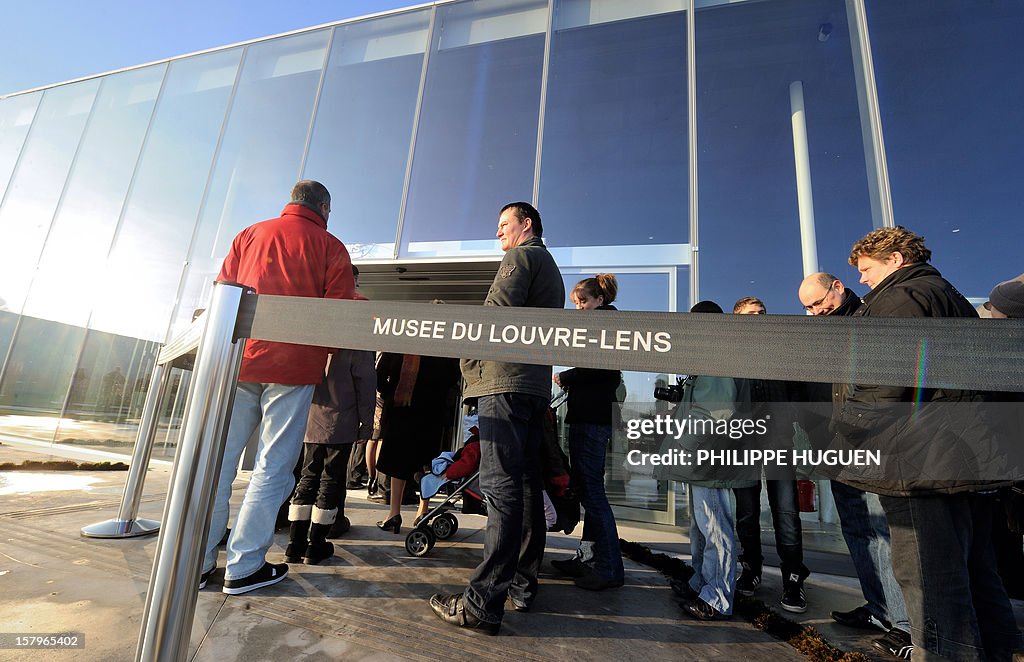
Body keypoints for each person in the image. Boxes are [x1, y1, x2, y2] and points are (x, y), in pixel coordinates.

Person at [833, 226, 1020, 660]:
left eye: (866, 269)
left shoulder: (902, 299)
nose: (862, 280)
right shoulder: (944, 294)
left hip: (918, 461)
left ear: (895, 259)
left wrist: (846, 428)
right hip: (952, 456)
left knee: (927, 575)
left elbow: (882, 383)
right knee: (971, 569)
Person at [200, 180, 356, 595]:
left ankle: (197, 561)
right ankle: (245, 566)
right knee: (271, 467)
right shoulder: (330, 246)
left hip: (238, 360)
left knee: (219, 462)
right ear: (323, 206)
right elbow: (339, 316)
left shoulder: (249, 234)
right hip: (293, 368)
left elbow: (223, 292)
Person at [429, 201, 564, 635]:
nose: (498, 234)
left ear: (526, 225)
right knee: (524, 485)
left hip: (504, 383)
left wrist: (464, 349)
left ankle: (482, 601)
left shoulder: (521, 256)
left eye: (504, 225)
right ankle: (520, 585)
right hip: (531, 386)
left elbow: (496, 317)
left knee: (501, 486)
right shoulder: (550, 267)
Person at [798, 272, 912, 657]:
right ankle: (879, 608)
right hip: (832, 449)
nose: (815, 312)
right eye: (808, 308)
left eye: (818, 303)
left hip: (867, 447)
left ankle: (904, 623)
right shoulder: (816, 336)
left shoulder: (866, 322)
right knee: (857, 532)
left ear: (839, 288)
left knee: (882, 534)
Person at [662, 300, 755, 621]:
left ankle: (717, 597)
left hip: (709, 456)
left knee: (715, 527)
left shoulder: (718, 354)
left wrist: (685, 446)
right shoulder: (714, 353)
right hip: (703, 456)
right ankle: (701, 581)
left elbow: (716, 411)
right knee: (702, 526)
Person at [730, 296, 811, 613]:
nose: (761, 317)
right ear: (738, 319)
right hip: (742, 444)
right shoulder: (729, 357)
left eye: (763, 312)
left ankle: (793, 577)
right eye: (753, 314)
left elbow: (798, 394)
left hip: (779, 441)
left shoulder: (782, 352)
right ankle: (751, 570)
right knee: (747, 513)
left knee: (787, 512)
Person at [549, 274, 625, 591]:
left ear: (599, 300)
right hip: (592, 417)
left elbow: (601, 370)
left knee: (592, 493)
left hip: (592, 420)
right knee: (589, 490)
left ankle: (608, 569)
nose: (579, 309)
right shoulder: (603, 325)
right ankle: (588, 559)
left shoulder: (605, 325)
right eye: (576, 304)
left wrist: (568, 376)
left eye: (583, 302)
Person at [285, 311, 376, 564]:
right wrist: (367, 424)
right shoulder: (358, 343)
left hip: (311, 418)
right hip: (341, 422)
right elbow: (366, 386)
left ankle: (294, 544)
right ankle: (316, 544)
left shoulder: (315, 334)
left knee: (307, 476)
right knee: (330, 480)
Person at [374, 345, 461, 533]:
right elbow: (454, 374)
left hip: (401, 408)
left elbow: (380, 373)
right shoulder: (441, 345)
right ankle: (422, 510)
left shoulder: (403, 341)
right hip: (431, 410)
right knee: (427, 462)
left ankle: (394, 513)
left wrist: (390, 392)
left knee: (397, 461)